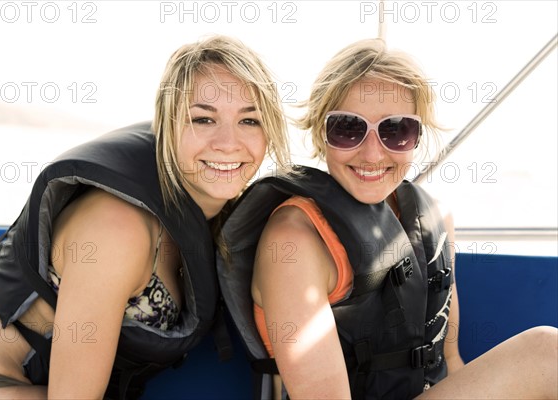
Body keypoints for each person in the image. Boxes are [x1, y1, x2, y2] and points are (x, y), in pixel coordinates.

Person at [216, 38, 557, 399]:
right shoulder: (294, 242)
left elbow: (449, 363)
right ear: (321, 131)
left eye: (396, 130)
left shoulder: (436, 217)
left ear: (416, 137)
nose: (372, 153)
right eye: (348, 127)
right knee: (546, 352)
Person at [0, 35, 292, 399]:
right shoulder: (117, 229)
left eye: (250, 121)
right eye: (202, 119)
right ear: (167, 127)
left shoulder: (218, 218)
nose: (229, 143)